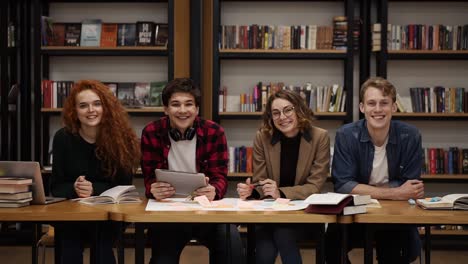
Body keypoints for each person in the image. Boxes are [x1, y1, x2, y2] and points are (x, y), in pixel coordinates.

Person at [141, 78, 243, 264]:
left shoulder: (215, 132)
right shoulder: (151, 132)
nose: (182, 110)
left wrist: (214, 189)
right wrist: (153, 189)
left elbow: (220, 177)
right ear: (165, 109)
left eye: (189, 104)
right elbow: (149, 179)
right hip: (169, 213)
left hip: (207, 211)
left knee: (232, 246)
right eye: (175, 104)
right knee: (162, 260)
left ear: (196, 109)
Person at [325, 77, 424, 264]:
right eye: (371, 103)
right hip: (355, 211)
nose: (378, 109)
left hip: (393, 213)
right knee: (330, 245)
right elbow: (343, 185)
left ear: (394, 107)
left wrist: (364, 189)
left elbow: (412, 186)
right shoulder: (346, 135)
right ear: (362, 107)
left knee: (400, 251)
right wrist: (395, 192)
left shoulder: (410, 136)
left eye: (384, 103)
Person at [51, 80, 140, 264]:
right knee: (69, 249)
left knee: (102, 249)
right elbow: (56, 187)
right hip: (72, 214)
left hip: (108, 214)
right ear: (74, 111)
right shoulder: (63, 138)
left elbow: (124, 188)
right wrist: (75, 188)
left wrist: (93, 190)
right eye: (83, 106)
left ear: (106, 107)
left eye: (97, 104)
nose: (91, 110)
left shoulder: (122, 139)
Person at [237, 90, 330, 264]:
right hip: (270, 211)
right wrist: (250, 192)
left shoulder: (320, 137)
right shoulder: (262, 138)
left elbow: (314, 186)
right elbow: (260, 181)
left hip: (304, 212)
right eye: (276, 113)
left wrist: (280, 192)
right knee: (265, 249)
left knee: (282, 231)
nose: (282, 117)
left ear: (299, 110)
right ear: (271, 117)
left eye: (288, 110)